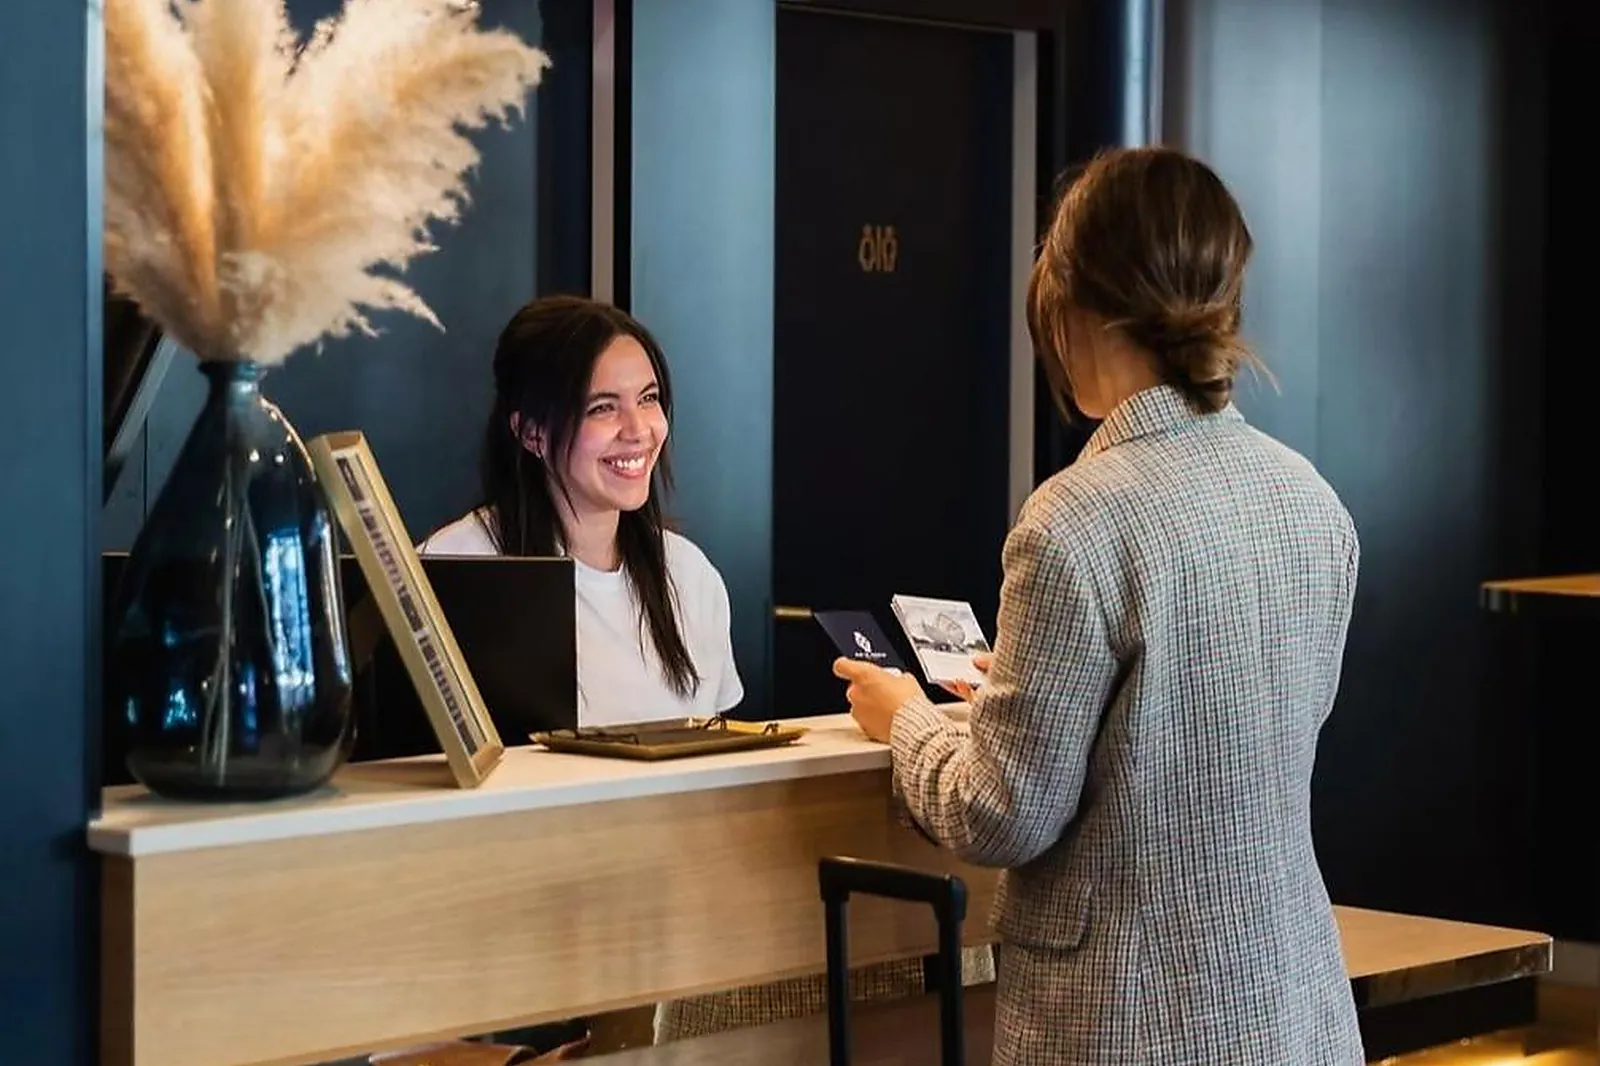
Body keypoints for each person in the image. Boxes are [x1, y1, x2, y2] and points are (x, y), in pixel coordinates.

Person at [833, 146, 1364, 1066]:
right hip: (1290, 1003)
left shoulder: (1074, 519)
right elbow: (1219, 726)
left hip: (1125, 1016)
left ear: (1074, 301)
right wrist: (1038, 693)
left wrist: (908, 722)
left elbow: (1001, 814)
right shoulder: (1309, 500)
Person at [421, 295, 743, 726]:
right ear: (532, 432)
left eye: (648, 399)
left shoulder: (689, 575)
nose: (638, 430)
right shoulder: (453, 570)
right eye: (603, 408)